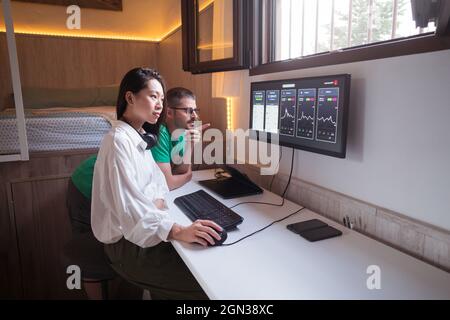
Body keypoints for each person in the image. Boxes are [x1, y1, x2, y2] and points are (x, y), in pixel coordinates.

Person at [91, 67, 222, 300]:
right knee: (208, 281)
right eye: (153, 96)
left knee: (202, 259)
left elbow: (160, 185)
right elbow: (132, 212)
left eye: (162, 98)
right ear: (130, 98)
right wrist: (178, 230)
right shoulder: (118, 142)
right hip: (126, 247)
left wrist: (157, 205)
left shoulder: (139, 136)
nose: (160, 104)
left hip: (138, 233)